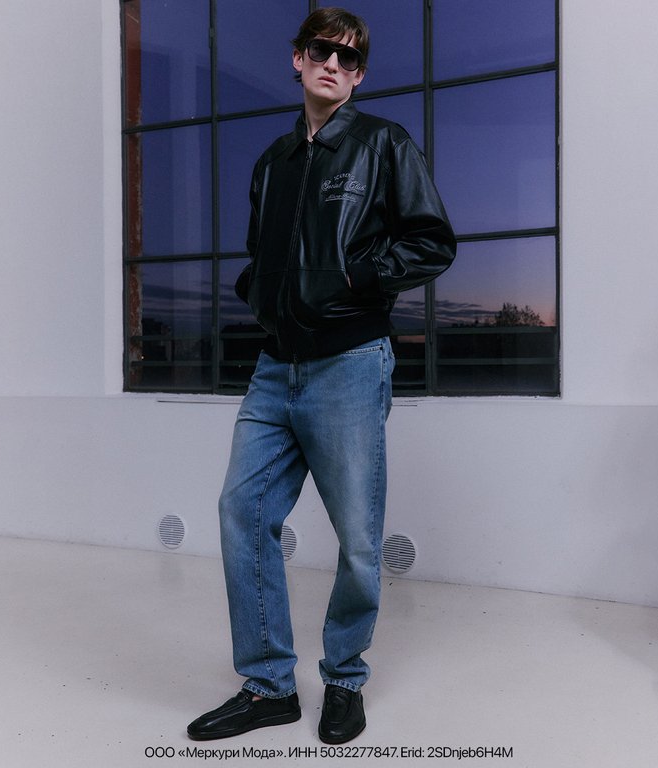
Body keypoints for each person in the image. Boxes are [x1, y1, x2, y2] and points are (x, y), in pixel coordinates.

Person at [187, 6, 455, 745]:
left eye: (348, 57)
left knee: (357, 539)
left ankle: (344, 680)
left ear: (358, 74)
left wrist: (353, 278)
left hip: (349, 364)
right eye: (320, 50)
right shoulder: (273, 162)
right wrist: (263, 296)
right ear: (298, 60)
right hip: (276, 368)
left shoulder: (383, 144)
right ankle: (269, 686)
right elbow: (260, 255)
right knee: (243, 511)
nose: (333, 64)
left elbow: (432, 242)